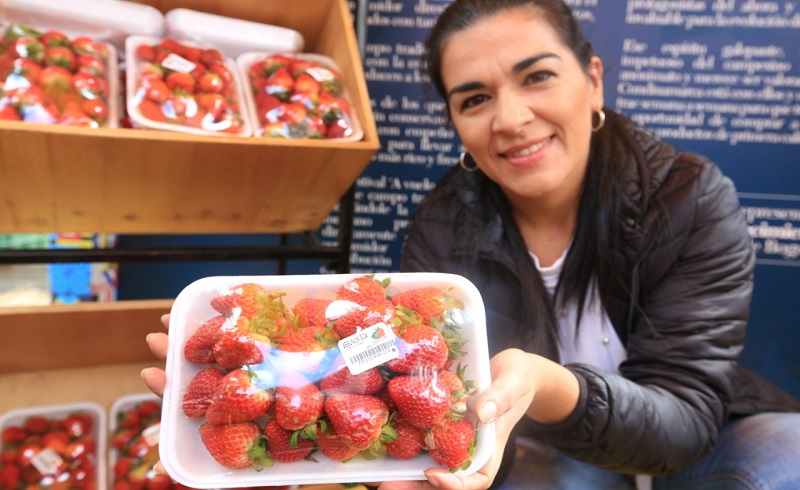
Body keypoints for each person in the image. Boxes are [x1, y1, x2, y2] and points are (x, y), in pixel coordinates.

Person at [144, 0, 800, 489]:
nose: (510, 120)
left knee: (784, 458)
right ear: (456, 121)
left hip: (695, 432)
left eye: (537, 77)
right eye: (476, 98)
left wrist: (548, 385)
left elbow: (684, 420)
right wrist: (294, 372)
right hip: (534, 439)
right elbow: (399, 357)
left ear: (593, 80)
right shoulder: (441, 224)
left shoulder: (686, 197)